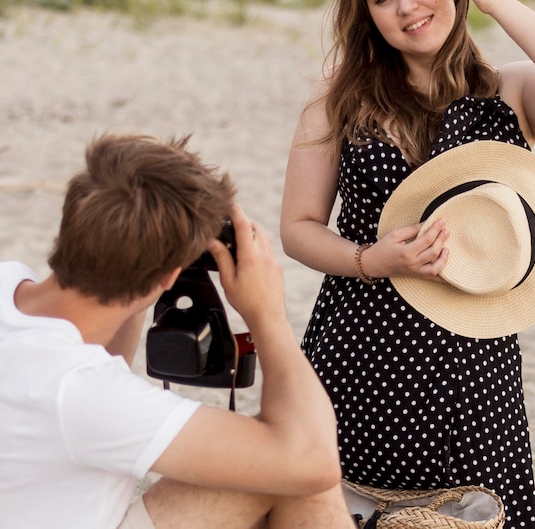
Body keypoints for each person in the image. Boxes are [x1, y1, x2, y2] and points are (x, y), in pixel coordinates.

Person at [280, 0, 535, 529]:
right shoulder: (338, 101)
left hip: (476, 374)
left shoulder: (507, 94)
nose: (406, 7)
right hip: (359, 356)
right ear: (370, 19)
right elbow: (298, 227)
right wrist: (369, 260)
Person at [0, 134, 356, 529]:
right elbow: (314, 460)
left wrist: (145, 277)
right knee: (294, 467)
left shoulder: (9, 283)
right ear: (171, 275)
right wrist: (267, 313)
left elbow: (89, 362)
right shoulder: (84, 393)